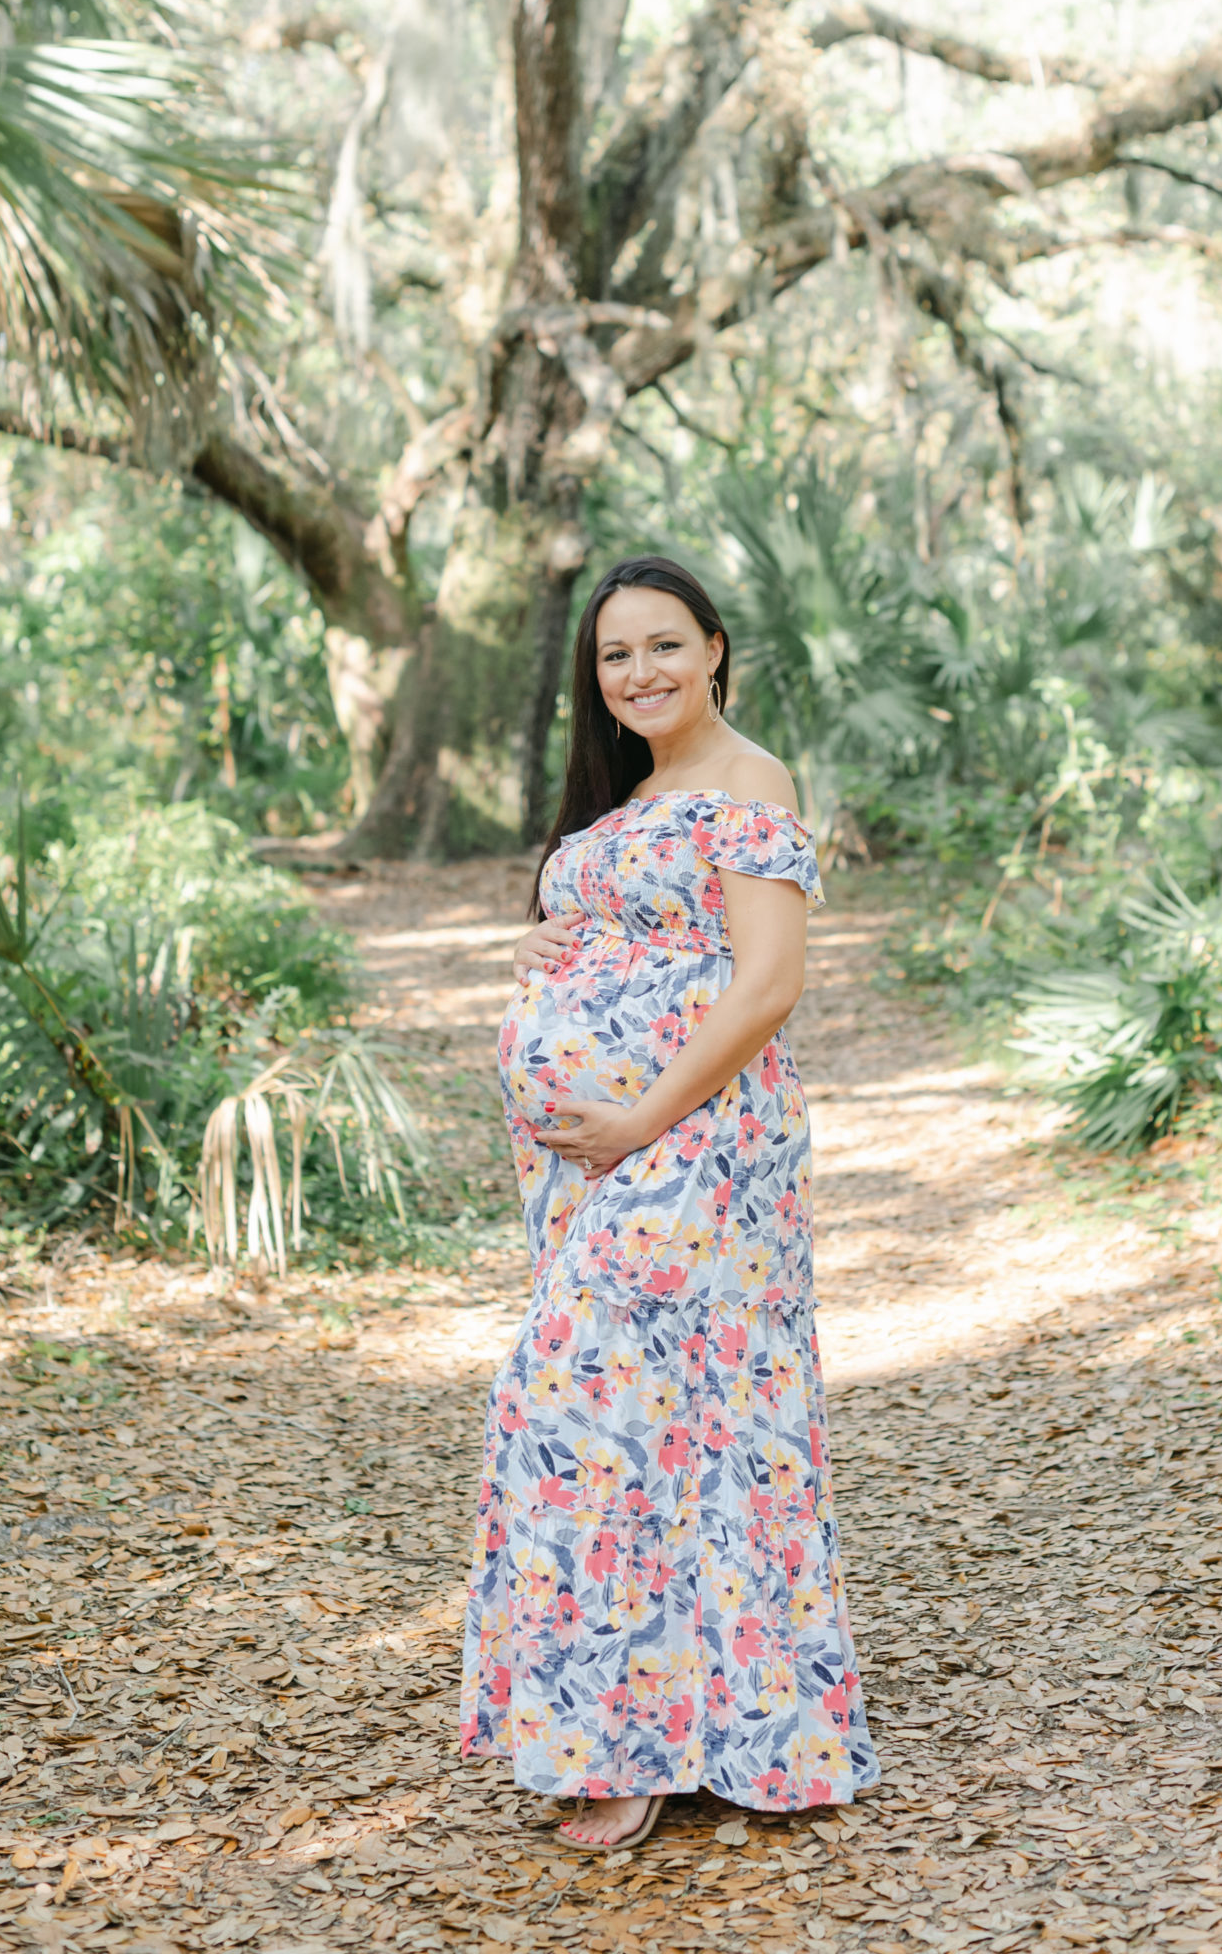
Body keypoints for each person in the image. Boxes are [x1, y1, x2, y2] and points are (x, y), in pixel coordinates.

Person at [459, 553, 879, 1851]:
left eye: (661, 645)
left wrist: (641, 1116)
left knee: (613, 1412)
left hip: (703, 1151)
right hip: (607, 1174)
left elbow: (763, 986)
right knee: (638, 1420)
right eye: (612, 655)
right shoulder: (624, 800)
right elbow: (615, 934)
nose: (637, 672)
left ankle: (644, 1740)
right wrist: (543, 947)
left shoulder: (750, 782)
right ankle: (652, 1723)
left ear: (714, 651)